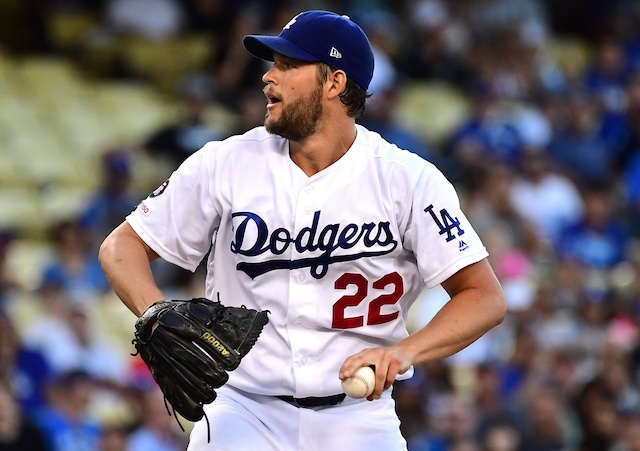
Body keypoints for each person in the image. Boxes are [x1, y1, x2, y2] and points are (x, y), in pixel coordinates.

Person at [98, 10, 506, 450]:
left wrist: (404, 352)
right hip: (241, 410)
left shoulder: (408, 181)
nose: (268, 78)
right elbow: (122, 245)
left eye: (287, 66)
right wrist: (155, 312)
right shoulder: (225, 164)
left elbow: (483, 296)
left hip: (360, 417)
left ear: (334, 83)